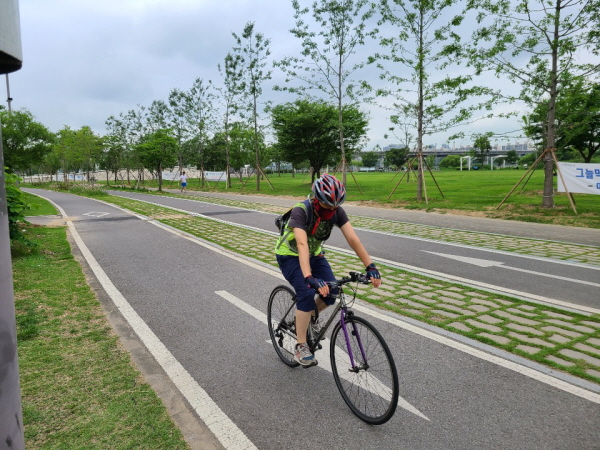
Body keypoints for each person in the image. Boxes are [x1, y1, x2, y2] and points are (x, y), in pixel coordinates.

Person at [275, 173, 382, 367]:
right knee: (306, 294)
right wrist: (309, 277)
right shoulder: (301, 211)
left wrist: (370, 266)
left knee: (332, 292)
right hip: (289, 256)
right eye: (328, 206)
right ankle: (300, 346)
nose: (332, 210)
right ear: (317, 199)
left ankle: (307, 318)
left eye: (335, 206)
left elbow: (352, 239)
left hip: (315, 254)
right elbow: (301, 243)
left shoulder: (337, 212)